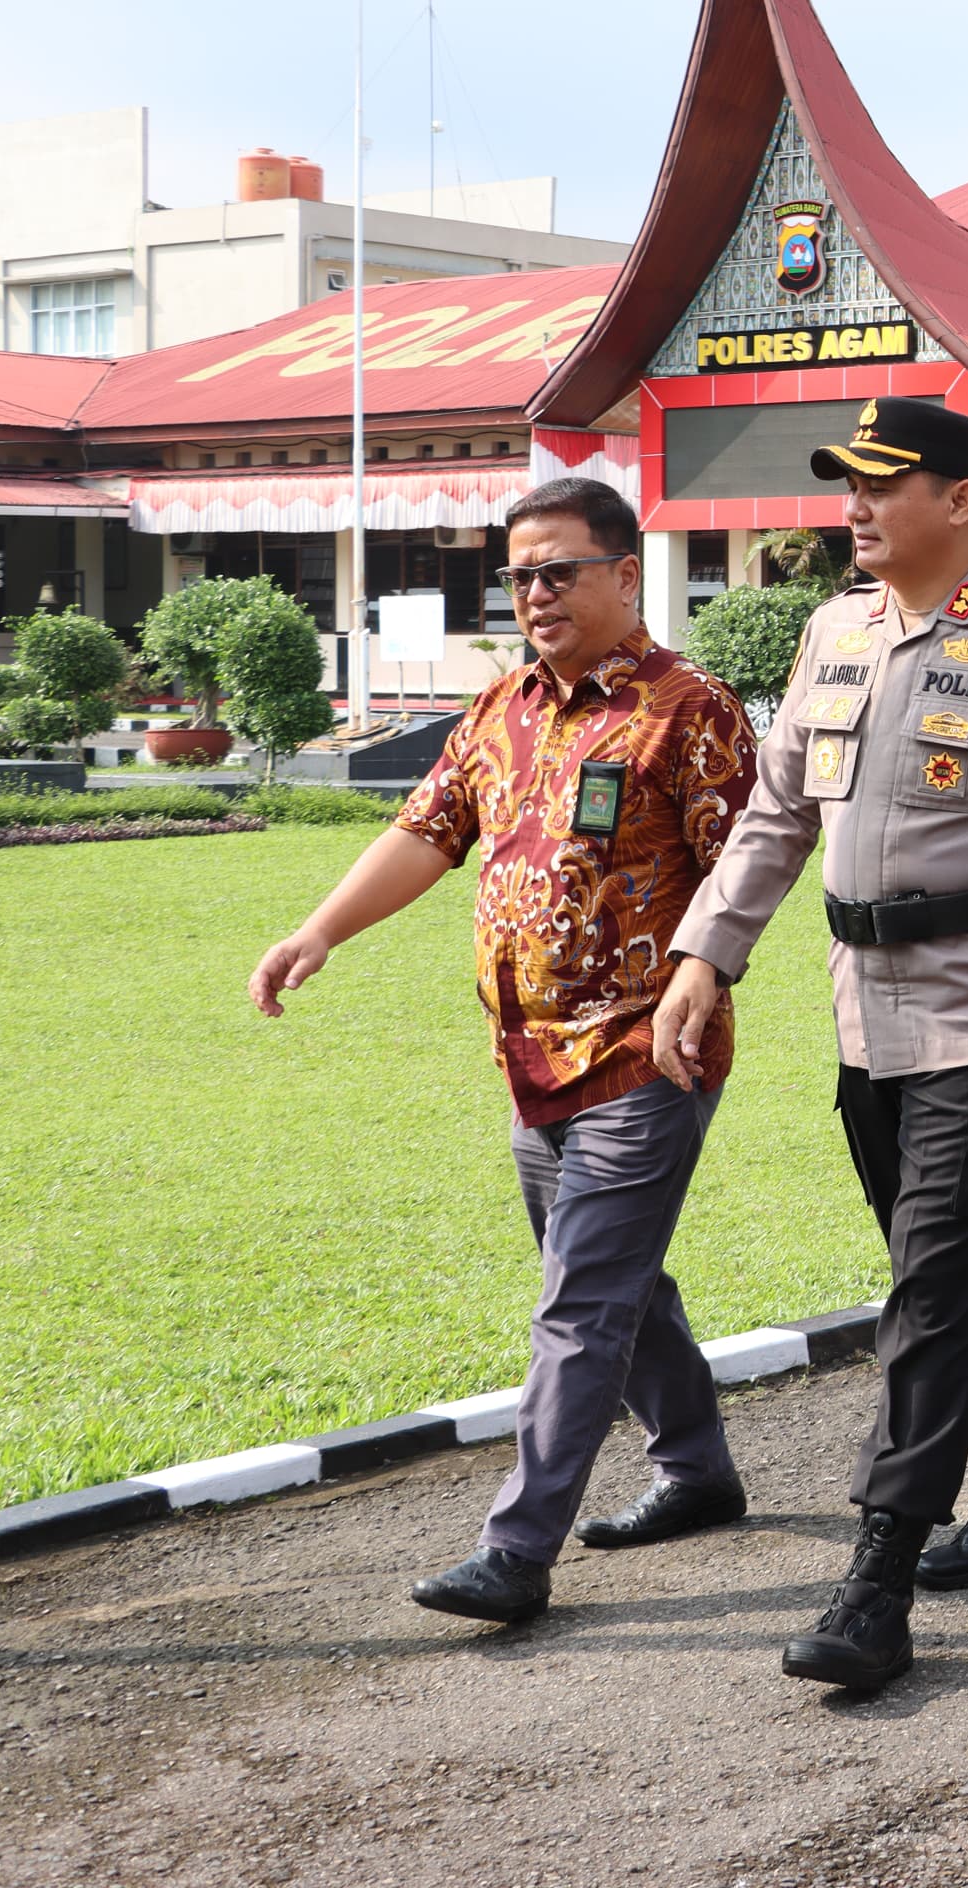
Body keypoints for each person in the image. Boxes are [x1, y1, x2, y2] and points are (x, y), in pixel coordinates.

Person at [646, 395, 968, 1691]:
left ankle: (877, 1579)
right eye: (849, 486)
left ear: (960, 501)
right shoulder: (832, 633)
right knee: (953, 1267)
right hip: (864, 1016)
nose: (856, 509)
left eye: (884, 486)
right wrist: (708, 953)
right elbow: (773, 819)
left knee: (929, 1290)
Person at [248, 476, 759, 1627]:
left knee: (581, 1301)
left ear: (625, 575)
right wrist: (317, 932)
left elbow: (749, 866)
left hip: (648, 1054)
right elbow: (425, 833)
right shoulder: (501, 709)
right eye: (519, 574)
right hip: (533, 1061)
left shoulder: (692, 710)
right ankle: (697, 1465)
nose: (535, 593)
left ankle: (518, 1552)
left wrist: (704, 971)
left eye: (558, 570)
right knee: (612, 1282)